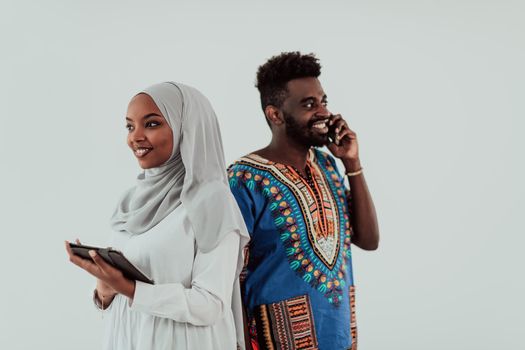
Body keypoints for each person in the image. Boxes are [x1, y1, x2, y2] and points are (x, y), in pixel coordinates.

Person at [65, 82, 250, 350]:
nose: (135, 137)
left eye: (151, 124)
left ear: (188, 128)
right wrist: (105, 289)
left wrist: (131, 289)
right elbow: (119, 293)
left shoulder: (212, 202)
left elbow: (210, 305)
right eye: (130, 126)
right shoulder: (130, 201)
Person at [228, 52, 380, 350]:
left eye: (324, 101)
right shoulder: (243, 179)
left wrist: (352, 163)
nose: (323, 111)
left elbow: (368, 239)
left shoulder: (326, 165)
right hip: (274, 338)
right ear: (276, 115)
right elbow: (227, 277)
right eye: (309, 104)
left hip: (338, 336)